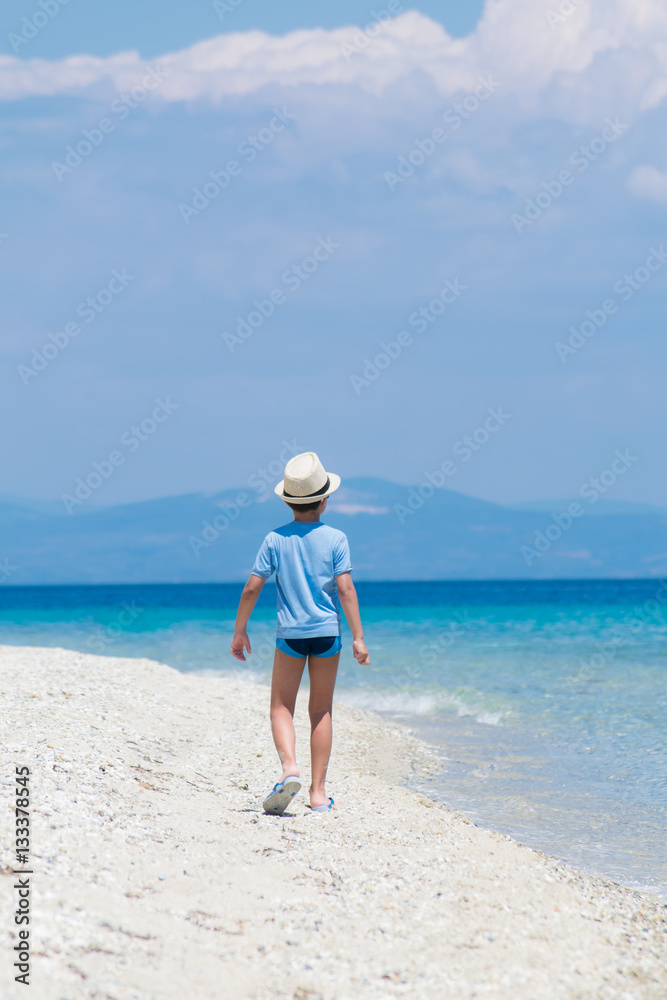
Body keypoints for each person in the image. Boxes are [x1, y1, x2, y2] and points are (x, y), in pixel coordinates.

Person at [231, 451, 369, 815]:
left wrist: (240, 631)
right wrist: (357, 637)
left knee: (281, 707)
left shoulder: (275, 539)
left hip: (290, 635)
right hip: (328, 634)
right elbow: (346, 590)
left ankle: (289, 767)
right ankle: (319, 794)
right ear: (324, 500)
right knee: (321, 710)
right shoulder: (337, 538)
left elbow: (251, 588)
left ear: (288, 502)